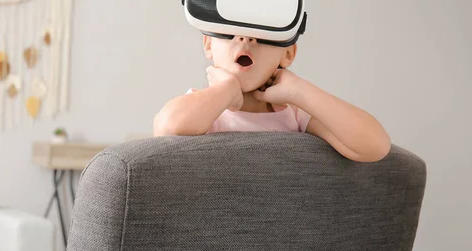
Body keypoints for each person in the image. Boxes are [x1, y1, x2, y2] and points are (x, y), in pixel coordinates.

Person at [153, 32, 391, 163]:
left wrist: (299, 91)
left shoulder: (295, 116)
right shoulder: (203, 108)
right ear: (208, 44)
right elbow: (167, 129)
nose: (245, 39)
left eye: (262, 33)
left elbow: (374, 146)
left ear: (287, 53)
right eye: (230, 31)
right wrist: (225, 91)